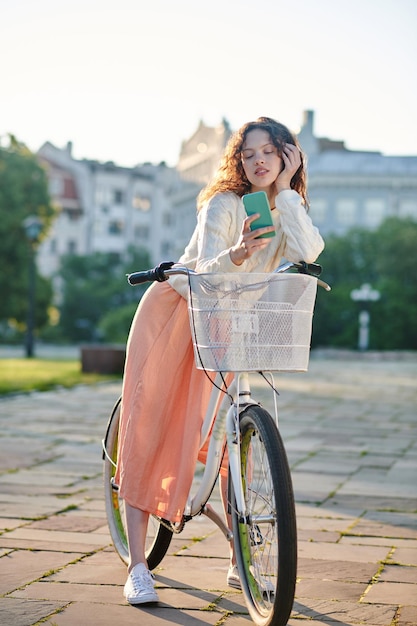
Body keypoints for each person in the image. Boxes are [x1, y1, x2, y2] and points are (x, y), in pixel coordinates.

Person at [115, 116, 324, 605]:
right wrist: (234, 255)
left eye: (270, 152)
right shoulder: (223, 205)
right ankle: (138, 566)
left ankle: (239, 559)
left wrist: (291, 193)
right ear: (238, 159)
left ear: (288, 158)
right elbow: (195, 274)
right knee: (151, 429)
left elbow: (311, 251)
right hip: (179, 316)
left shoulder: (284, 206)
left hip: (231, 326)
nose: (258, 161)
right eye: (249, 153)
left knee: (231, 446)